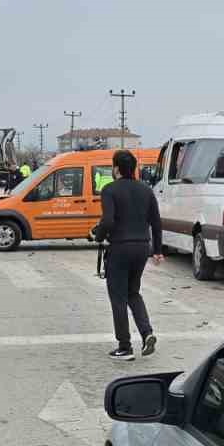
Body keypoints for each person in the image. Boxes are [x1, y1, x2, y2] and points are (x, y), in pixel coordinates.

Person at [91, 149, 163, 361]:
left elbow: (108, 221)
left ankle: (125, 346)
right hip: (142, 247)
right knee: (134, 292)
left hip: (120, 247)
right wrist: (157, 250)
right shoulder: (146, 190)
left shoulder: (110, 190)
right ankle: (147, 332)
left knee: (118, 297)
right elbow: (156, 223)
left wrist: (97, 236)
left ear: (116, 169)